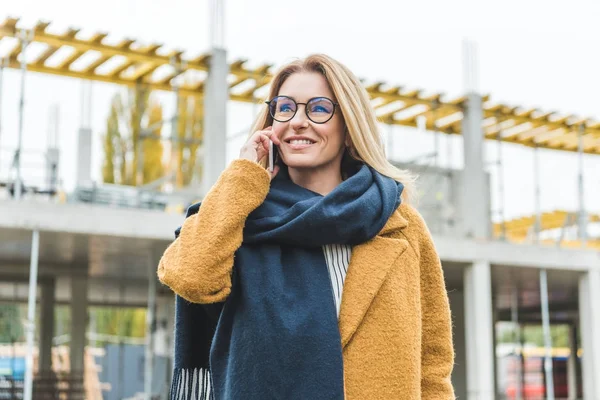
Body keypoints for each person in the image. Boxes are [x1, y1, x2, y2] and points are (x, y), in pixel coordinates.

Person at [157, 53, 455, 400]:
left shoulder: (400, 224)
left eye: (317, 109)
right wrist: (242, 176)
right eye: (285, 108)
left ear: (348, 127)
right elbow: (190, 277)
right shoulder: (237, 216)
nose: (298, 121)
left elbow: (433, 365)